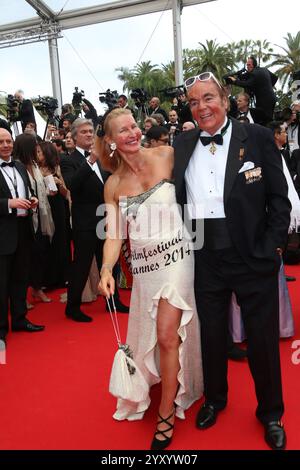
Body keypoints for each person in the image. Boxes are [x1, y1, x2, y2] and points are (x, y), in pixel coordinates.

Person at [173, 72, 291, 450]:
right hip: (204, 255)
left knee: (262, 339)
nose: (202, 107)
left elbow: (279, 197)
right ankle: (215, 399)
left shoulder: (255, 136)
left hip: (252, 255)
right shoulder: (182, 142)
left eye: (208, 98)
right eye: (194, 101)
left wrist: (273, 247)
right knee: (211, 335)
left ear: (225, 99)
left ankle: (271, 412)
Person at [98, 108, 203, 450]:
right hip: (143, 267)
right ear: (110, 141)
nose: (131, 133)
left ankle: (166, 412)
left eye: (133, 126)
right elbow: (114, 234)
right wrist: (105, 270)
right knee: (156, 331)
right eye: (122, 130)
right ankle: (167, 381)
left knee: (167, 334)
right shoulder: (113, 185)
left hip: (178, 255)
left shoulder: (167, 155)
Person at [0, 128, 44, 344]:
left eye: (9, 141)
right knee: (1, 284)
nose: (6, 145)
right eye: (1, 142)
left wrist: (32, 200)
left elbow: (24, 192)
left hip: (23, 230)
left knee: (20, 279)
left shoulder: (18, 165)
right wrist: (9, 203)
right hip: (2, 234)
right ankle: (1, 331)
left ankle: (19, 319)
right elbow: (11, 199)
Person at [229, 56, 278, 123]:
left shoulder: (254, 73)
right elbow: (275, 78)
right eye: (247, 65)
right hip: (272, 98)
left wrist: (234, 81)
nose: (247, 67)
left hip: (264, 101)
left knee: (263, 120)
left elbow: (247, 84)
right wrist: (268, 87)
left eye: (249, 65)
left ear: (253, 65)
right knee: (268, 118)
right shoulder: (264, 69)